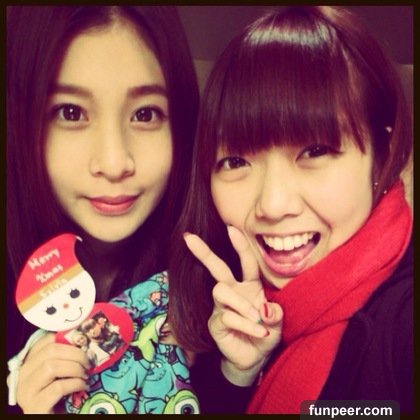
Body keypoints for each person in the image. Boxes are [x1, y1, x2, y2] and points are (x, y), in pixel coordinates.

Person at [168, 6, 413, 414]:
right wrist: (237, 373)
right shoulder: (229, 298)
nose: (273, 204)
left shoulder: (401, 323)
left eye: (315, 151)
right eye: (235, 161)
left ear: (382, 153)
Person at [7, 6, 199, 414]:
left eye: (145, 114)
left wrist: (237, 375)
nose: (114, 163)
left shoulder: (217, 291)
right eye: (71, 113)